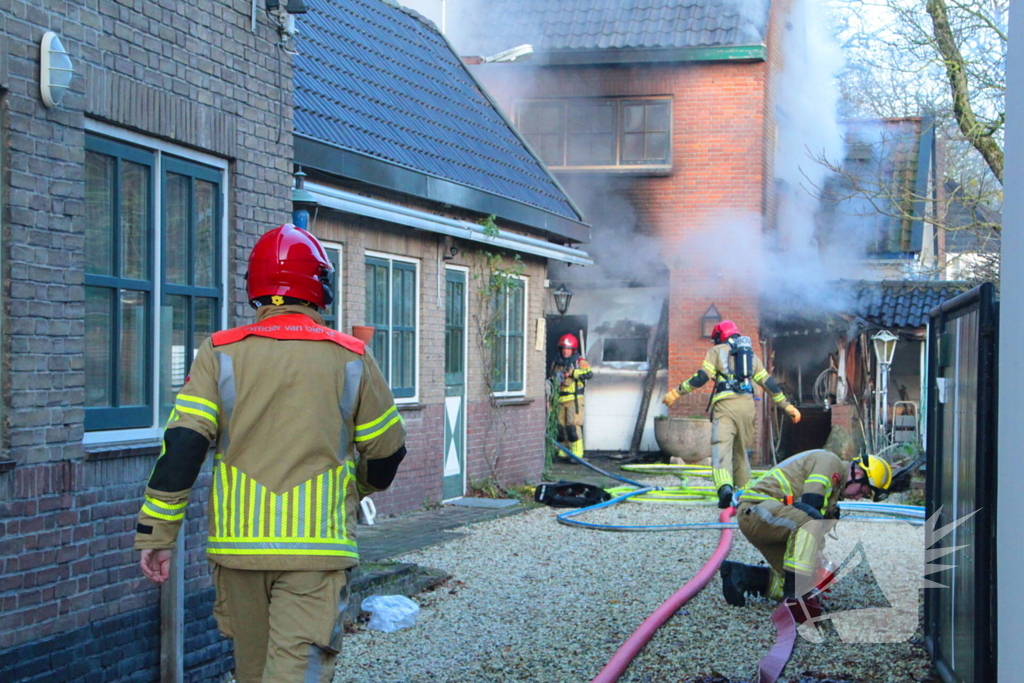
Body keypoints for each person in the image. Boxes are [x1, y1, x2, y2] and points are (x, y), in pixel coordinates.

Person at [134, 224, 407, 683]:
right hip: (316, 553)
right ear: (320, 285)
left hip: (237, 551)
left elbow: (183, 445)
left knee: (253, 674)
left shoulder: (219, 354)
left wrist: (157, 534)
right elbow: (386, 454)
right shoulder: (352, 357)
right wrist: (353, 486)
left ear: (255, 286)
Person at [719, 449, 893, 621]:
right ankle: (795, 596)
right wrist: (803, 591)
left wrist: (817, 571)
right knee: (810, 526)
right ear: (857, 473)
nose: (857, 498)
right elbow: (812, 504)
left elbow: (812, 535)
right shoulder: (829, 461)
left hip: (774, 521)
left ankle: (742, 576)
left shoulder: (833, 497)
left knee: (799, 577)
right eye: (863, 491)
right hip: (757, 509)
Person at [662, 320, 801, 508]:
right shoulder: (751, 356)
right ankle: (745, 495)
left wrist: (677, 392)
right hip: (747, 407)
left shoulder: (716, 351)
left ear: (720, 336)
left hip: (725, 406)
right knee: (741, 452)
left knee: (722, 448)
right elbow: (769, 383)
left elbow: (702, 377)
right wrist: (787, 406)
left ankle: (725, 489)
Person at [549, 333, 592, 461]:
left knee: (572, 427)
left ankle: (577, 454)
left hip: (574, 400)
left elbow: (589, 373)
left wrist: (573, 373)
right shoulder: (557, 363)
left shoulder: (580, 362)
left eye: (568, 349)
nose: (565, 351)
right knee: (560, 427)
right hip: (559, 399)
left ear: (573, 350)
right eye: (563, 348)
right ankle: (564, 452)